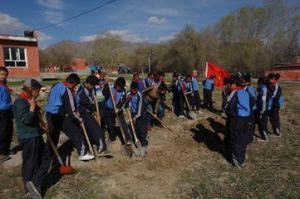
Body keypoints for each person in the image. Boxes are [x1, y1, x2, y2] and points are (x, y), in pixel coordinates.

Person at [13, 79, 51, 198]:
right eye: (38, 90)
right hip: (28, 137)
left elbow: (33, 121)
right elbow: (26, 120)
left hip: (35, 135)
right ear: (31, 89)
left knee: (46, 157)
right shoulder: (20, 102)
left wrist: (41, 129)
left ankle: (34, 182)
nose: (39, 92)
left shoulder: (29, 100)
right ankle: (29, 188)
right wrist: (32, 108)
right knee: (30, 162)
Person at [45, 73, 94, 161]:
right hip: (59, 116)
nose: (74, 88)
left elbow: (51, 98)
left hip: (49, 114)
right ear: (72, 83)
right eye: (75, 86)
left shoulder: (56, 85)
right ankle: (83, 153)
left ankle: (47, 157)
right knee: (75, 131)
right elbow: (71, 111)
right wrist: (80, 120)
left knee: (53, 137)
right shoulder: (67, 91)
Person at [76, 75, 112, 157]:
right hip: (83, 112)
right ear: (87, 83)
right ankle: (101, 148)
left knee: (95, 128)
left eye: (94, 86)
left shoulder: (90, 88)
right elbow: (88, 104)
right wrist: (96, 114)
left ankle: (98, 145)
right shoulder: (82, 91)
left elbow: (92, 100)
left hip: (88, 110)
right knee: (96, 128)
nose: (93, 87)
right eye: (92, 85)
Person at [224, 75, 250, 168]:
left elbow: (230, 107)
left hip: (237, 119)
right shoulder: (244, 92)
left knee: (235, 139)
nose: (228, 86)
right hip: (245, 119)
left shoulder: (236, 93)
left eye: (229, 84)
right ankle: (241, 158)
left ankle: (237, 160)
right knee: (242, 139)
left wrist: (226, 112)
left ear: (234, 84)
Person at [102, 77, 133, 145]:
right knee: (110, 124)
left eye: (120, 87)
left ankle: (128, 138)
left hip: (118, 109)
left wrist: (118, 108)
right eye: (118, 86)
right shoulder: (111, 87)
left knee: (123, 124)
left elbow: (123, 100)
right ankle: (112, 137)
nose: (119, 88)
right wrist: (106, 85)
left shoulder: (124, 91)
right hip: (109, 109)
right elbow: (104, 93)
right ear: (116, 84)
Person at [126, 82, 149, 156]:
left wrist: (136, 117)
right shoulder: (129, 93)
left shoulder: (140, 96)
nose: (134, 91)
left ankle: (144, 143)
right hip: (132, 112)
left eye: (135, 90)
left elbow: (140, 108)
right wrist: (127, 107)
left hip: (140, 113)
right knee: (131, 127)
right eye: (133, 90)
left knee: (141, 128)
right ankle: (133, 139)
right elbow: (127, 102)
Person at [0, 67, 13, 163]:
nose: (4, 76)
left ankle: (6, 150)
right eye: (1, 74)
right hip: (2, 112)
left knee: (9, 130)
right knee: (3, 132)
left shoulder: (3, 85)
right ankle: (1, 154)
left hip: (7, 111)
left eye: (5, 74)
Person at [241, 73, 256, 145]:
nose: (241, 82)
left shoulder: (250, 88)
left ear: (246, 81)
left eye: (242, 81)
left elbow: (252, 99)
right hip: (246, 109)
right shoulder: (244, 88)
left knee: (250, 124)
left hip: (250, 109)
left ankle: (249, 138)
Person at [256, 77, 272, 141]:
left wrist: (262, 110)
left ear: (261, 82)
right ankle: (263, 136)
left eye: (258, 83)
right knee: (262, 122)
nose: (257, 84)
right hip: (262, 108)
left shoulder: (264, 89)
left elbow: (264, 101)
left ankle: (265, 138)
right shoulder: (262, 88)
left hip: (264, 109)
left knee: (263, 122)